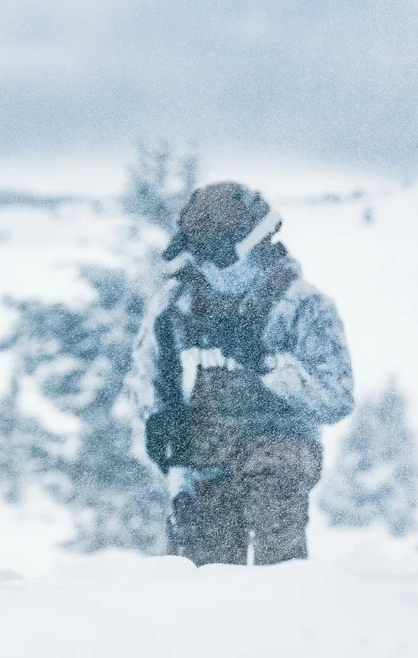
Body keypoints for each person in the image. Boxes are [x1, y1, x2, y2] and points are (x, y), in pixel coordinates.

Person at [128, 181, 354, 565]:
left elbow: (335, 398)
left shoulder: (302, 307)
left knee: (275, 512)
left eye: (218, 257)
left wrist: (266, 363)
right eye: (197, 256)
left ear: (257, 247)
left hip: (279, 446)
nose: (206, 268)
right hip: (202, 449)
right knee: (198, 566)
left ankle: (284, 603)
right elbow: (145, 372)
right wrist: (157, 419)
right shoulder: (176, 305)